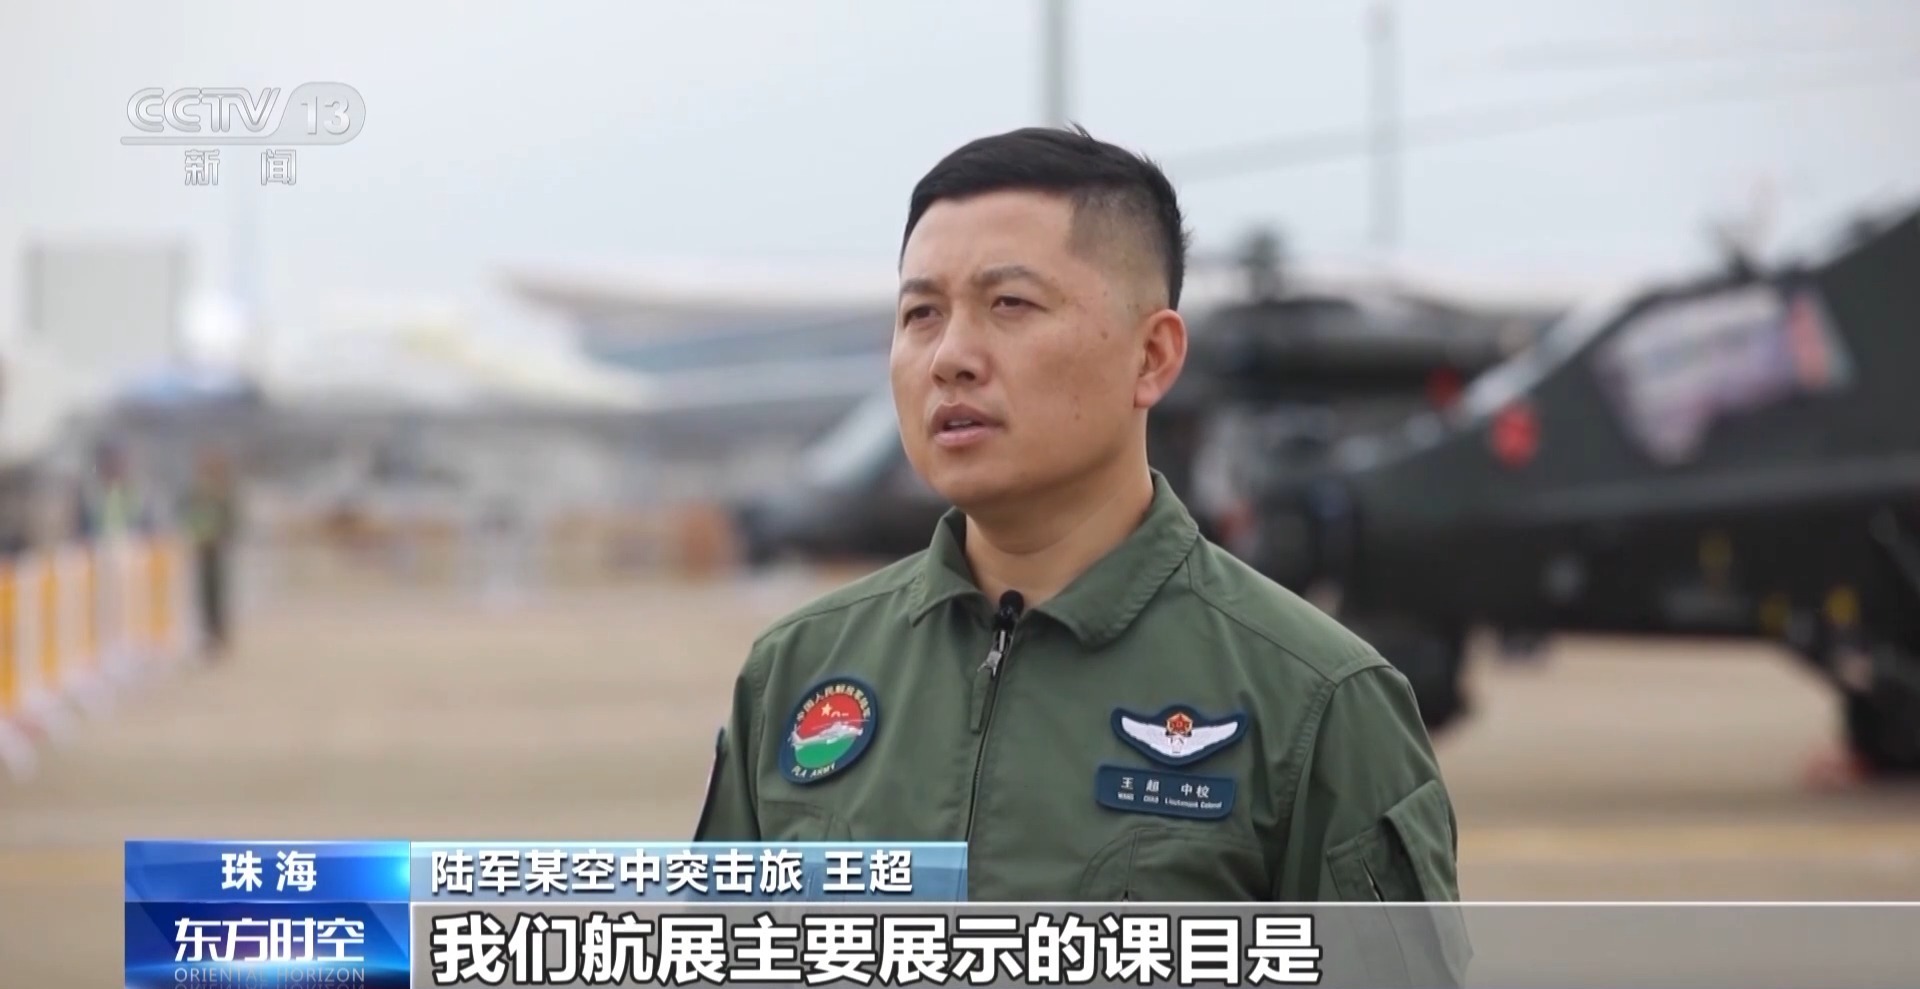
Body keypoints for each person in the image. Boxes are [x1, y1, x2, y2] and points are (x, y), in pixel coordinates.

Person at [695, 126, 1461, 905]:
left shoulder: (1316, 700)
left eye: (1010, 304)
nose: (950, 356)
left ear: (1153, 356)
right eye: (921, 313)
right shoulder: (795, 674)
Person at [183, 447, 242, 660]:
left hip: (217, 548)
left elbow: (231, 519)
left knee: (217, 593)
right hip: (201, 547)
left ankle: (219, 635)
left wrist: (224, 537)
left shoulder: (222, 493)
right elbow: (189, 516)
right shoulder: (197, 493)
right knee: (204, 594)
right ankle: (208, 635)